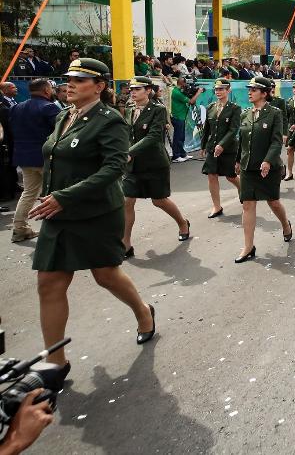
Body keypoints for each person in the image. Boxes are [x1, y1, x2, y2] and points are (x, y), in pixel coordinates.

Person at [28, 58, 157, 371]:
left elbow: (115, 168)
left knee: (106, 276)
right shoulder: (63, 116)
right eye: (69, 79)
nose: (70, 84)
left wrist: (65, 196)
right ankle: (55, 364)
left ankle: (143, 312)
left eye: (80, 80)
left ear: (100, 86)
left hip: (95, 213)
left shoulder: (110, 120)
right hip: (58, 212)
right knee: (49, 283)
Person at [121, 77, 191, 257]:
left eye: (138, 89)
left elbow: (153, 137)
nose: (133, 92)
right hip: (133, 165)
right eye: (132, 89)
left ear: (148, 90)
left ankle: (183, 223)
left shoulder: (158, 110)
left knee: (159, 200)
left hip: (154, 163)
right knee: (127, 201)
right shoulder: (129, 110)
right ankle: (125, 243)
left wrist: (130, 152)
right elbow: (127, 135)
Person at [233, 77, 292, 263]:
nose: (250, 92)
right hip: (248, 167)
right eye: (249, 89)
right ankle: (248, 246)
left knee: (273, 202)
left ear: (264, 93)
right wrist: (237, 161)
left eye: (254, 89)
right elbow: (241, 141)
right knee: (247, 204)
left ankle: (285, 225)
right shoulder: (245, 114)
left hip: (269, 167)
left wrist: (267, 161)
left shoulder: (275, 113)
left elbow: (276, 142)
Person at [8, 79, 59, 243]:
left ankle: (19, 228)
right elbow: (61, 132)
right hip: (45, 158)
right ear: (46, 90)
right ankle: (56, 232)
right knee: (55, 194)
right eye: (51, 88)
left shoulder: (16, 107)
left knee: (29, 193)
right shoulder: (49, 107)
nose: (52, 91)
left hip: (24, 157)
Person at [200, 78, 241, 217]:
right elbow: (207, 128)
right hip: (213, 147)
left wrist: (222, 145)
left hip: (228, 148)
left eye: (221, 89)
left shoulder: (235, 108)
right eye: (216, 89)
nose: (218, 92)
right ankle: (216, 207)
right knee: (211, 175)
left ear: (228, 90)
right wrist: (203, 145)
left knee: (231, 176)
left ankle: (243, 190)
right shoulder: (211, 107)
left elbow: (233, 129)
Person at [170, 78, 203, 162]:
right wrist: (198, 92)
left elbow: (188, 96)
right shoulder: (176, 92)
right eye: (185, 84)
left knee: (181, 137)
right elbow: (191, 101)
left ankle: (182, 154)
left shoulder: (179, 90)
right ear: (182, 83)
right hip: (177, 117)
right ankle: (176, 156)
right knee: (178, 137)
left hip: (181, 116)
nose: (186, 86)